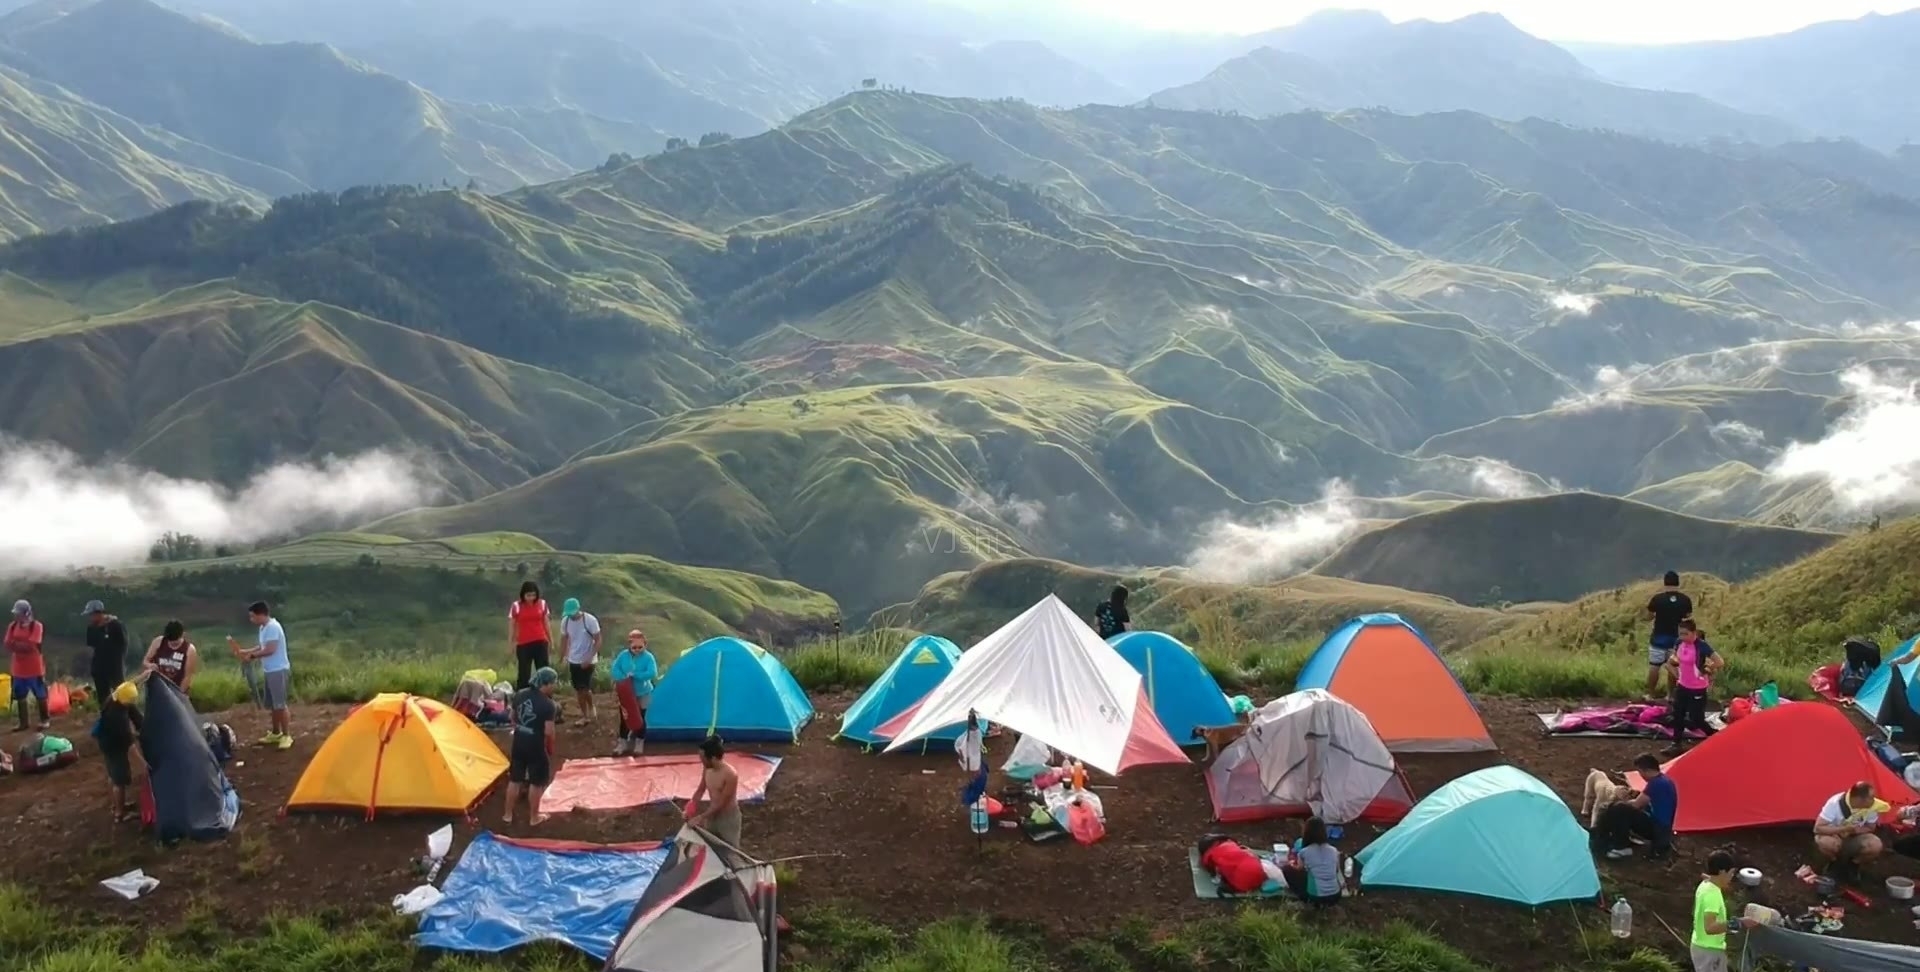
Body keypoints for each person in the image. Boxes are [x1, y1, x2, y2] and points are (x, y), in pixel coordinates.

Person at [229, 602, 292, 749]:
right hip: (269, 670)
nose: (251, 619)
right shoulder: (263, 628)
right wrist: (245, 651)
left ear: (261, 614)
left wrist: (251, 657)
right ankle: (276, 733)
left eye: (252, 616)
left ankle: (287, 735)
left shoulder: (273, 627)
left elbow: (270, 649)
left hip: (278, 670)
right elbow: (262, 647)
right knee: (273, 705)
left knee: (280, 704)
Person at [504, 667, 560, 827]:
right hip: (535, 744)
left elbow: (512, 718)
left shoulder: (520, 694)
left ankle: (507, 815)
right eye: (553, 683)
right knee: (536, 782)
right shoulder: (549, 705)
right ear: (546, 684)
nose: (555, 686)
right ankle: (534, 817)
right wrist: (550, 747)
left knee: (515, 779)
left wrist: (523, 728)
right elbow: (549, 731)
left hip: (519, 741)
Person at [1593, 753, 1677, 860]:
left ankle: (1620, 846)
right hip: (1663, 828)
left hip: (1658, 830)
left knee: (1619, 809)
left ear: (1645, 770)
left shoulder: (1655, 784)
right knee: (1618, 807)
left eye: (1640, 772)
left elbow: (1636, 805)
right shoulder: (1665, 780)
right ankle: (1603, 836)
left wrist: (1619, 803)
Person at [1692, 849, 1758, 972]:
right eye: (1731, 873)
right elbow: (1710, 927)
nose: (1731, 877)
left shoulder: (1705, 885)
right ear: (1722, 871)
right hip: (1709, 950)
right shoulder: (1713, 895)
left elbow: (1709, 879)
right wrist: (1739, 923)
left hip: (1702, 946)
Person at [1664, 621, 1721, 755]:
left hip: (1697, 687)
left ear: (1694, 633)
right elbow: (1674, 659)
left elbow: (1719, 661)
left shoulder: (1701, 646)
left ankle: (1714, 736)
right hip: (1683, 685)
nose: (1683, 636)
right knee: (1678, 715)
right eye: (1680, 633)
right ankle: (1676, 744)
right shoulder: (1679, 643)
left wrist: (1707, 669)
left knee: (1696, 718)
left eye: (1686, 634)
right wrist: (1675, 670)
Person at [1815, 781, 1888, 880]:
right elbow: (1818, 828)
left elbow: (1871, 827)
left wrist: (1856, 831)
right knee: (1825, 842)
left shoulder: (1871, 806)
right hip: (1834, 836)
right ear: (1859, 799)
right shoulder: (1834, 804)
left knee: (1875, 845)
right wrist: (1843, 829)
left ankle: (1853, 864)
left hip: (1854, 837)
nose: (1873, 800)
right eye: (1871, 797)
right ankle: (1834, 863)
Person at [97, 680, 146, 823]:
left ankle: (118, 805)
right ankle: (120, 814)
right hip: (113, 746)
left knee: (114, 775)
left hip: (107, 740)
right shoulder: (117, 717)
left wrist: (145, 675)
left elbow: (132, 684)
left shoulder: (117, 695)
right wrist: (143, 766)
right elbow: (130, 746)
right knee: (120, 779)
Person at [1645, 571, 1693, 700]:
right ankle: (1670, 695)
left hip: (1658, 637)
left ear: (1665, 582)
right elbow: (1687, 616)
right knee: (1673, 665)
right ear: (1678, 583)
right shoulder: (1685, 600)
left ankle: (1650, 694)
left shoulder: (1657, 599)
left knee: (1654, 666)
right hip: (1676, 638)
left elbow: (1648, 616)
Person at [688, 735, 743, 848]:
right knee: (711, 848)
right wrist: (690, 807)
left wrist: (701, 817)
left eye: (703, 758)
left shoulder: (730, 775)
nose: (701, 761)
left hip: (728, 818)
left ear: (712, 758)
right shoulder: (707, 769)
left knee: (730, 851)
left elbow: (721, 804)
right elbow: (700, 790)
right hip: (712, 817)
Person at [609, 629, 657, 756]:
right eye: (634, 647)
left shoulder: (648, 657)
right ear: (629, 646)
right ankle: (622, 743)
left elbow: (652, 673)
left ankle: (639, 743)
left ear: (645, 645)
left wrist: (636, 675)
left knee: (640, 718)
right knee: (624, 718)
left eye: (640, 647)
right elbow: (615, 669)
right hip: (626, 693)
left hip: (643, 693)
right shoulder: (623, 655)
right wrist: (623, 677)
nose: (637, 650)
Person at [1281, 817, 1346, 907]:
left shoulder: (1304, 852)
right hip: (1335, 896)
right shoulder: (1333, 850)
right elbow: (1336, 870)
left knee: (1287, 869)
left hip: (1316, 897)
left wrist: (1290, 864)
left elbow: (1299, 869)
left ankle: (1307, 901)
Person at [7, 600, 48, 731]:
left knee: (40, 693)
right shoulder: (13, 626)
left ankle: (45, 719)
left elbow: (32, 644)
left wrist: (16, 645)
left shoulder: (36, 626)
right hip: (18, 668)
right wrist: (21, 645)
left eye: (19, 613)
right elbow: (7, 642)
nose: (16, 616)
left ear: (26, 613)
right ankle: (23, 723)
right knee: (20, 694)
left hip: (34, 667)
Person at [560, 597, 601, 725]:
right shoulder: (565, 622)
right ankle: (590, 707)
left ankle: (585, 716)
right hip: (574, 659)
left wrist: (589, 658)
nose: (571, 616)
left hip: (588, 659)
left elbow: (598, 640)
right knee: (581, 688)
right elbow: (564, 639)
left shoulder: (590, 620)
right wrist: (563, 657)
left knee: (582, 688)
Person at [1198, 835, 1286, 895]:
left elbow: (1207, 866)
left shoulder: (1209, 856)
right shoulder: (1230, 844)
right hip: (1259, 873)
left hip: (1242, 884)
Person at [82, 600, 130, 705]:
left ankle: (128, 717)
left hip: (115, 666)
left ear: (99, 613)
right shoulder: (91, 628)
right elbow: (91, 643)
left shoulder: (115, 625)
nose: (90, 618)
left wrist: (119, 660)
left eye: (91, 615)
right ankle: (106, 718)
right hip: (99, 667)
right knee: (103, 697)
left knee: (122, 693)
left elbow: (123, 644)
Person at [508, 582, 553, 691]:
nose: (531, 598)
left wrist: (551, 641)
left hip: (540, 641)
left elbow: (546, 623)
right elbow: (512, 626)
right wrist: (511, 644)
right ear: (523, 594)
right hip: (523, 643)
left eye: (533, 595)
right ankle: (522, 697)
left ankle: (546, 697)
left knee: (543, 671)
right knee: (524, 673)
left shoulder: (542, 604)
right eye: (528, 595)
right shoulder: (516, 606)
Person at [141, 620, 199, 694]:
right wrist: (150, 665)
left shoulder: (189, 650)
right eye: (170, 641)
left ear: (182, 635)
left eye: (175, 641)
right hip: (158, 688)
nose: (172, 643)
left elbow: (187, 677)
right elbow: (145, 661)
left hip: (176, 689)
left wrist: (179, 694)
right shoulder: (158, 642)